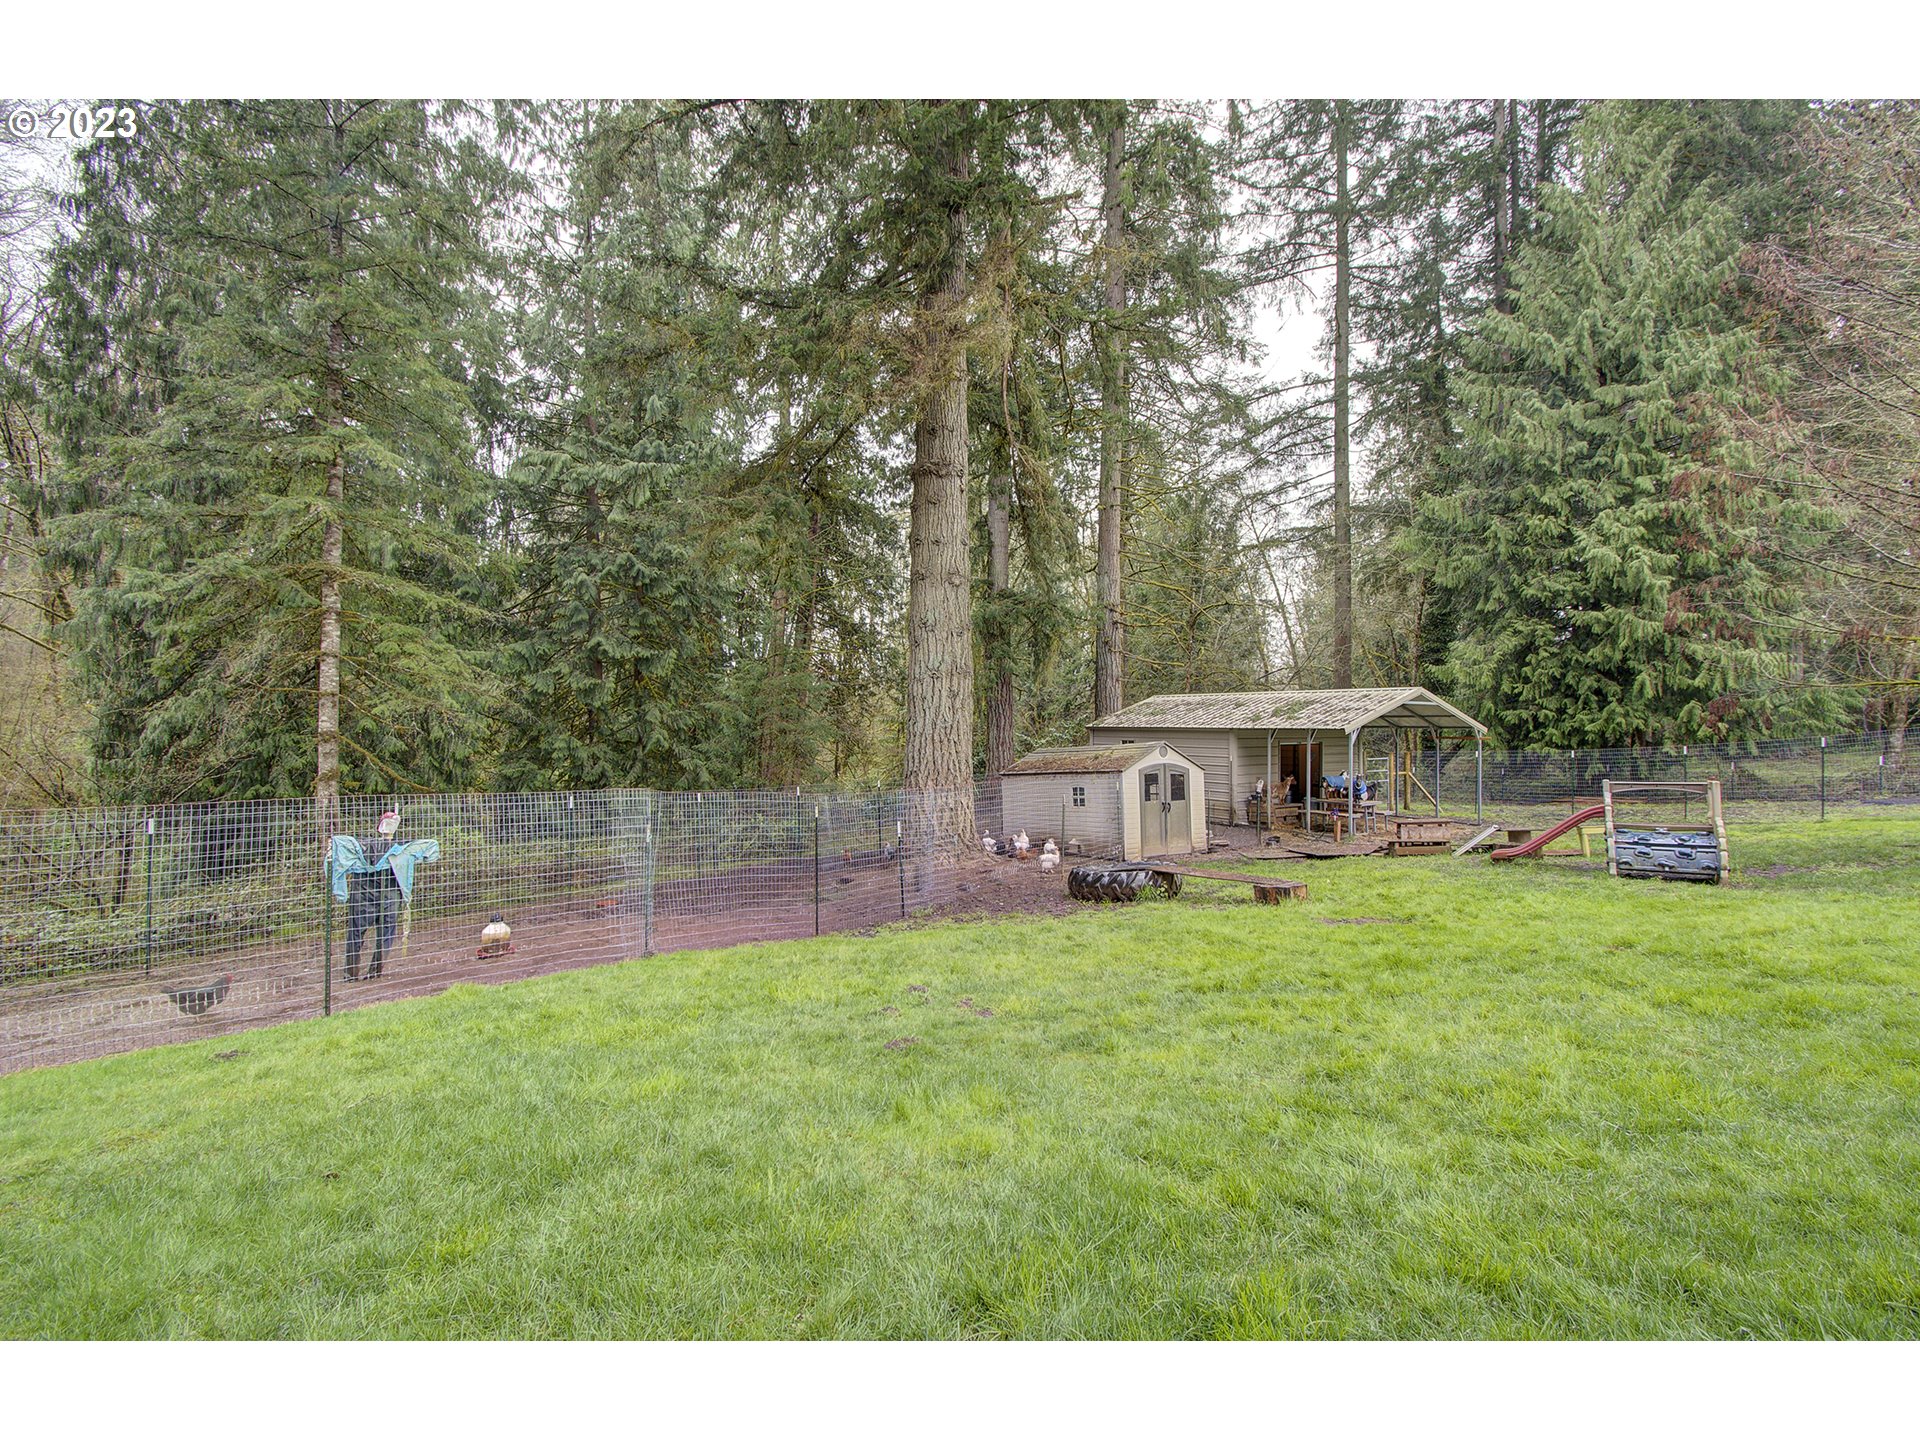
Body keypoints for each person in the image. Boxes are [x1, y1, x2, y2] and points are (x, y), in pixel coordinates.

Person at [346, 810, 402, 980]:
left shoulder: (400, 848)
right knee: (357, 931)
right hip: (364, 894)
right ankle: (351, 973)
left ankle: (376, 971)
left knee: (386, 932)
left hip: (389, 894)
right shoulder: (363, 846)